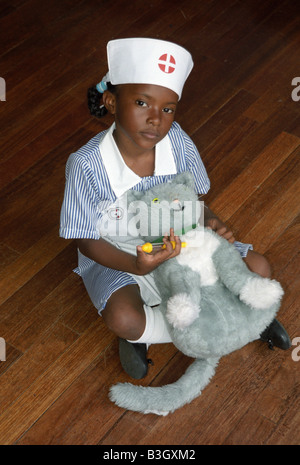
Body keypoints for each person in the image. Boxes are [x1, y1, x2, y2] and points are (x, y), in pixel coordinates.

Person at [60, 38, 290, 379]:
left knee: (259, 268)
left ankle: (231, 322)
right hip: (122, 253)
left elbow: (196, 203)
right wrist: (136, 266)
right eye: (142, 103)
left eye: (168, 109)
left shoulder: (177, 140)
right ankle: (234, 322)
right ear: (110, 101)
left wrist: (213, 223)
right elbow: (84, 239)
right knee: (124, 318)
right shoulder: (87, 165)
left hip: (183, 239)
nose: (156, 119)